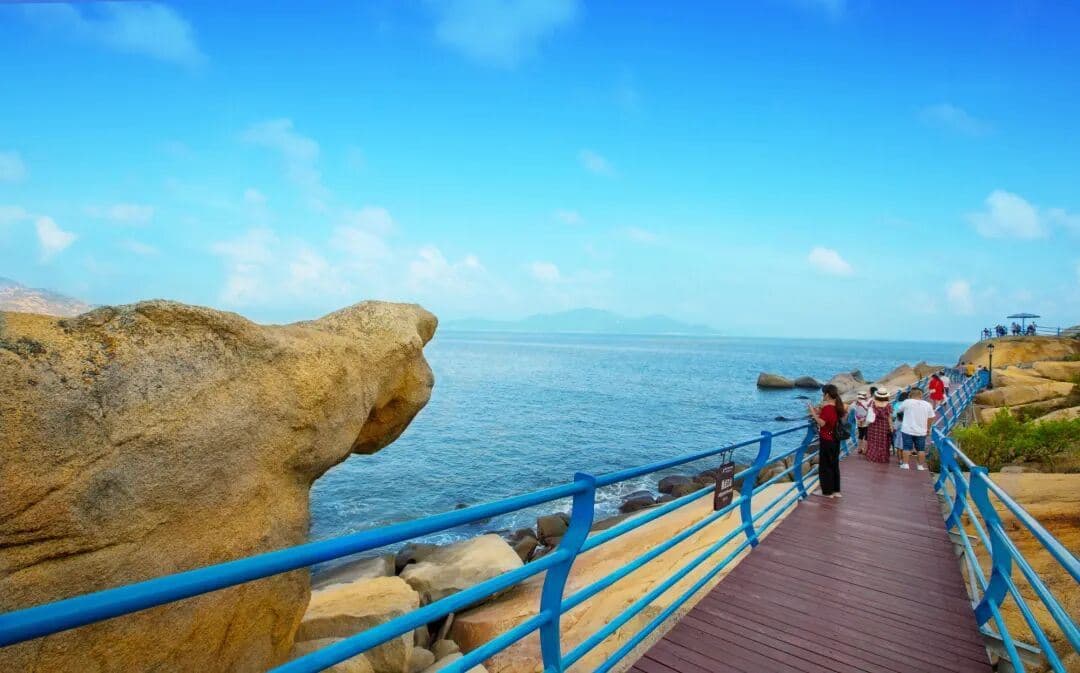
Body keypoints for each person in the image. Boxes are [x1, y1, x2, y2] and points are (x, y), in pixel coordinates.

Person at [807, 384, 845, 498]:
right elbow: (831, 419)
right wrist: (819, 412)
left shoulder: (828, 408)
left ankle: (826, 492)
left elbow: (822, 423)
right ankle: (836, 491)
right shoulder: (837, 406)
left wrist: (813, 412)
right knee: (834, 465)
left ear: (827, 394)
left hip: (827, 439)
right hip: (835, 439)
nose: (822, 395)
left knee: (825, 466)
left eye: (823, 393)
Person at [897, 388, 935, 470]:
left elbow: (899, 410)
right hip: (921, 431)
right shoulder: (927, 404)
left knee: (906, 448)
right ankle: (920, 466)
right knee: (921, 449)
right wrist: (928, 428)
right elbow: (931, 417)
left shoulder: (907, 402)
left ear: (910, 395)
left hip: (907, 429)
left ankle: (905, 464)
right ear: (921, 395)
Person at [863, 387, 893, 464]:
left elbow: (867, 411)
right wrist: (891, 427)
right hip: (884, 426)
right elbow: (889, 417)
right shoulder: (888, 405)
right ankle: (882, 458)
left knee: (873, 441)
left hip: (873, 425)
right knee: (882, 442)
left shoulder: (872, 403)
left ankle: (872, 456)